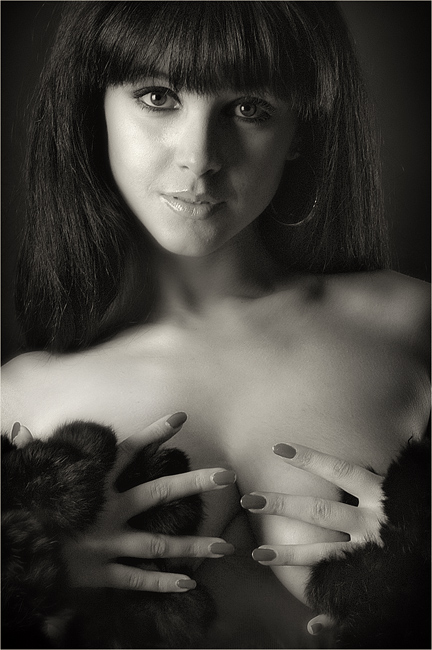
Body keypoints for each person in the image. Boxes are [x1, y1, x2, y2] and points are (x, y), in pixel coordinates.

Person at [2, 1, 430, 648]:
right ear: (94, 109)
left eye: (249, 108)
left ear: (301, 131)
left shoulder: (413, 325)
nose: (199, 157)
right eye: (158, 97)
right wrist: (29, 585)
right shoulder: (18, 399)